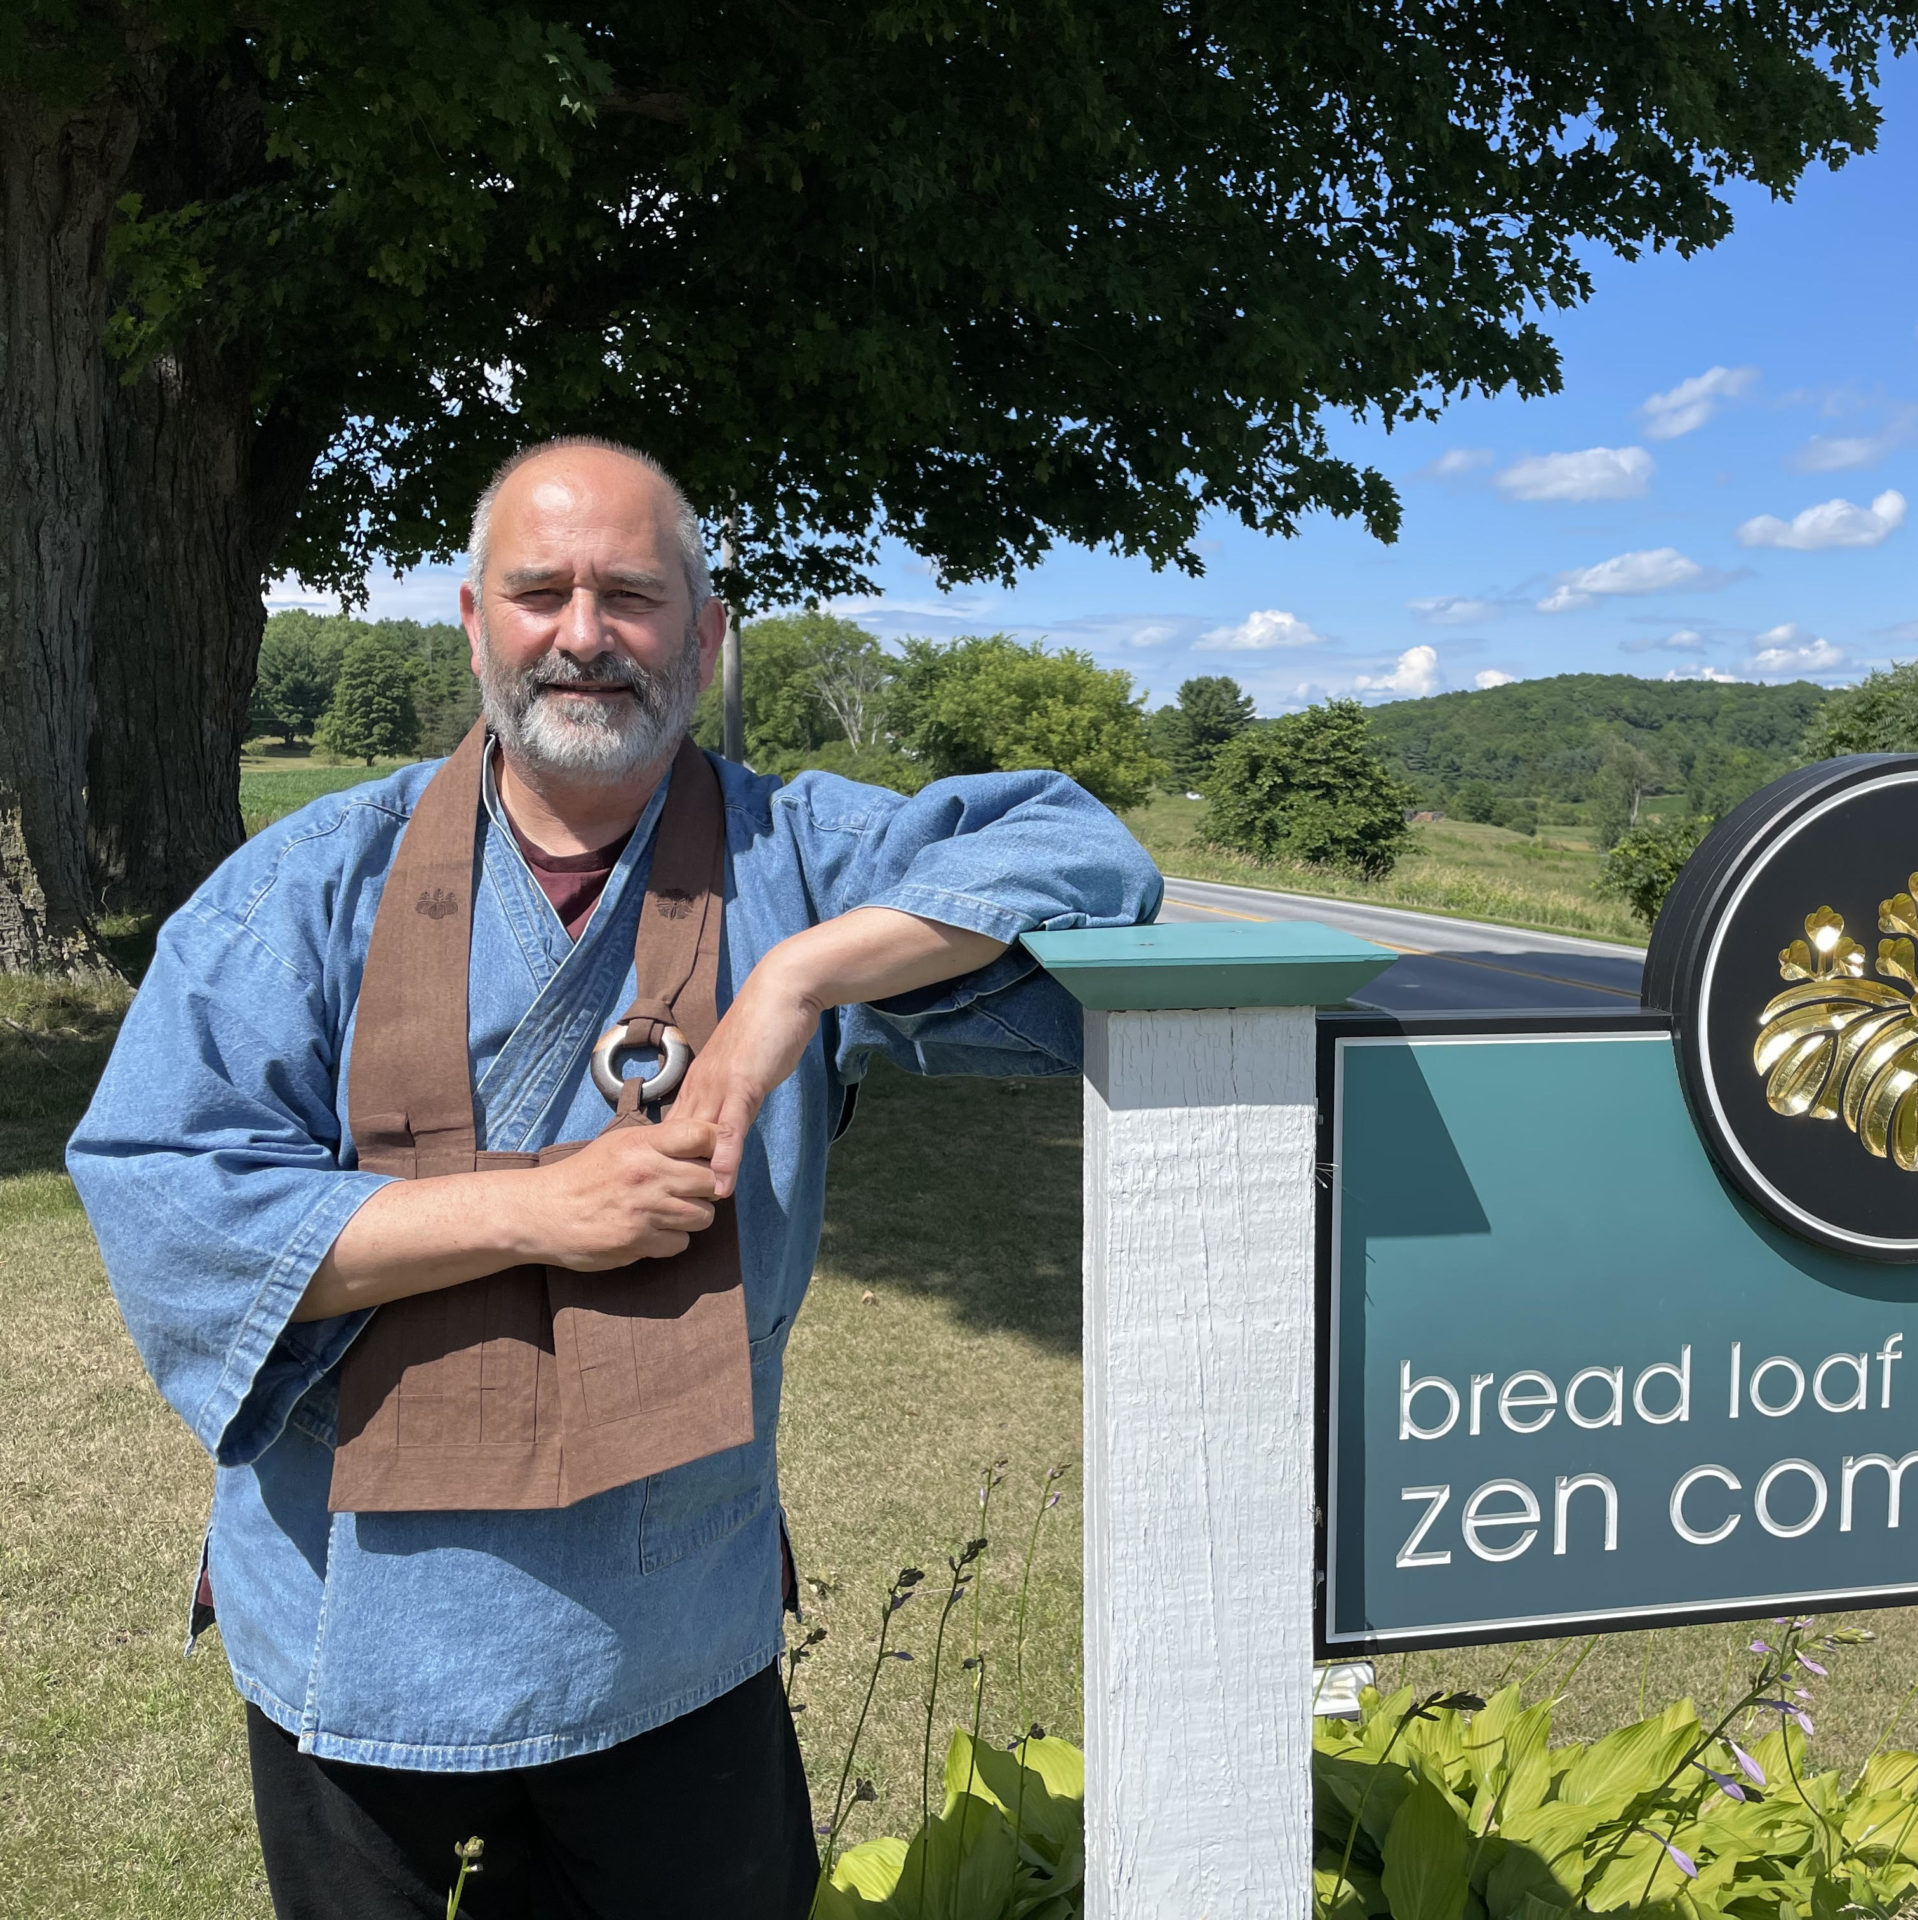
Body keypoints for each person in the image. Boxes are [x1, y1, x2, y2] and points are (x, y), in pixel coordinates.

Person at [68, 437, 1161, 1919]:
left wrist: (797, 980)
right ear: (474, 625)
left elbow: (1085, 855)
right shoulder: (306, 884)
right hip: (363, 1628)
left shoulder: (796, 855)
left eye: (635, 596)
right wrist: (539, 1209)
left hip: (675, 1625)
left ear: (706, 637)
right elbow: (167, 1193)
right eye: (541, 592)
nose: (585, 634)